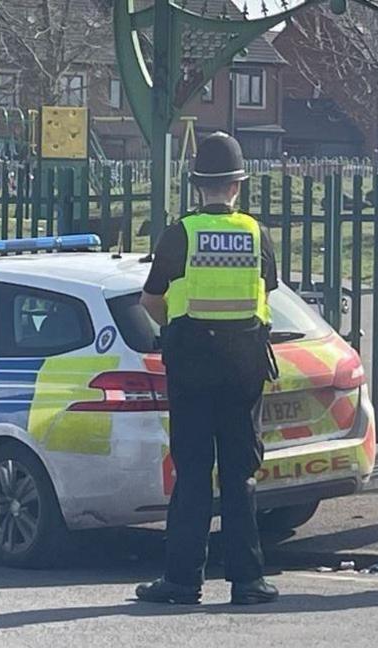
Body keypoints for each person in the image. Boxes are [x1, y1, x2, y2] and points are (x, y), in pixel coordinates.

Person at [136, 132, 280, 606]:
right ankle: (248, 581)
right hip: (244, 367)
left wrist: (177, 324)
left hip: (193, 363)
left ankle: (181, 581)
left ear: (198, 186)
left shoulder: (181, 233)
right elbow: (268, 291)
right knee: (241, 473)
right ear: (238, 186)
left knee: (194, 472)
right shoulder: (257, 234)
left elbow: (150, 301)